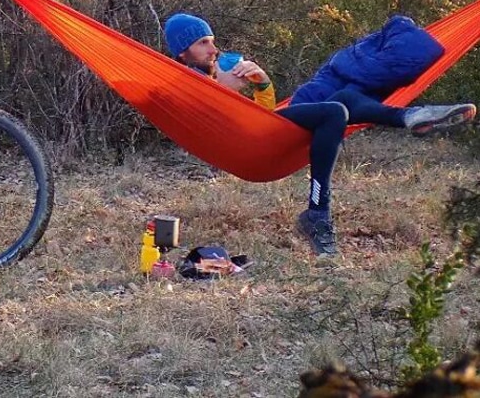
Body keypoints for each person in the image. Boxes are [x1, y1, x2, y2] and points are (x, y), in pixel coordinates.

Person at [163, 13, 476, 257]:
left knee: (343, 99)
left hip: (265, 131)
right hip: (249, 145)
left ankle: (408, 117)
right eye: (203, 42)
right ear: (183, 52)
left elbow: (264, 109)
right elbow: (199, 106)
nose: (213, 49)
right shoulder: (182, 80)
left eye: (212, 40)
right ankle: (319, 212)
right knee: (334, 111)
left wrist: (261, 83)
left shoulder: (214, 72)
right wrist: (222, 87)